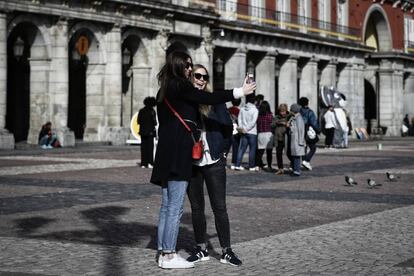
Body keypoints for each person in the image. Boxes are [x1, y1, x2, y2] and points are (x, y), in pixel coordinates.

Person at [150, 51, 256, 269]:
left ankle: (163, 252)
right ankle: (169, 255)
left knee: (168, 206)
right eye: (188, 66)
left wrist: (222, 151)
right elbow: (207, 97)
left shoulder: (166, 89)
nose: (191, 70)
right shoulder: (181, 87)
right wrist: (239, 91)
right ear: (178, 66)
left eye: (193, 67)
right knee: (175, 208)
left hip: (168, 153)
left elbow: (215, 113)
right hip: (181, 154)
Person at [186, 64, 242, 266]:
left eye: (205, 77)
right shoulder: (186, 100)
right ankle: (201, 248)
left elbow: (228, 127)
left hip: (214, 160)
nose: (201, 79)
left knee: (220, 207)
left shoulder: (215, 102)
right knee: (196, 207)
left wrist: (223, 153)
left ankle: (227, 251)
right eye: (197, 76)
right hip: (192, 162)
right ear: (190, 77)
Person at [234, 94, 259, 171]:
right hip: (252, 132)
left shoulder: (242, 109)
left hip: (243, 131)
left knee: (241, 149)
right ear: (254, 101)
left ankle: (237, 165)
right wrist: (247, 129)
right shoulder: (255, 110)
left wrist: (242, 128)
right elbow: (253, 122)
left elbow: (239, 119)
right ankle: (251, 166)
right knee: (252, 150)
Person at [299, 97, 320, 171]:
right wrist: (318, 130)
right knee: (313, 148)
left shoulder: (299, 111)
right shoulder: (309, 112)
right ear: (307, 103)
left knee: (303, 147)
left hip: (300, 131)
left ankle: (304, 161)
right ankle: (306, 160)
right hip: (308, 131)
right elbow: (313, 122)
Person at [138, 96, 157, 168]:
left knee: (143, 148)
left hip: (142, 132)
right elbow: (154, 122)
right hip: (150, 132)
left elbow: (138, 121)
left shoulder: (141, 111)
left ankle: (143, 163)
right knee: (150, 148)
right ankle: (150, 162)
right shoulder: (152, 111)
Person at [286, 104, 305, 176]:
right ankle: (295, 169)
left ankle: (297, 171)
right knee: (294, 155)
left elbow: (300, 130)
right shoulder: (293, 118)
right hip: (294, 139)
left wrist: (301, 141)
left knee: (297, 156)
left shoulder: (298, 118)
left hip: (297, 140)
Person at [256, 100, 274, 171]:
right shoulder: (270, 115)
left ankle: (257, 165)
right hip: (268, 133)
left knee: (260, 152)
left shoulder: (259, 115)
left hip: (260, 134)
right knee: (269, 152)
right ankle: (269, 165)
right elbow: (271, 123)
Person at [273, 103, 290, 175]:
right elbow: (272, 125)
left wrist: (286, 124)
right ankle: (280, 168)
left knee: (289, 153)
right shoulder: (276, 117)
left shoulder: (289, 117)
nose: (282, 113)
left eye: (284, 111)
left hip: (286, 138)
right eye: (281, 111)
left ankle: (294, 165)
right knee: (278, 154)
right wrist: (279, 122)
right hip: (278, 138)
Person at [227, 99, 241, 169]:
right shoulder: (239, 111)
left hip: (229, 130)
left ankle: (224, 163)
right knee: (235, 148)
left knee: (226, 148)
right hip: (236, 131)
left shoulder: (228, 109)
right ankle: (233, 163)